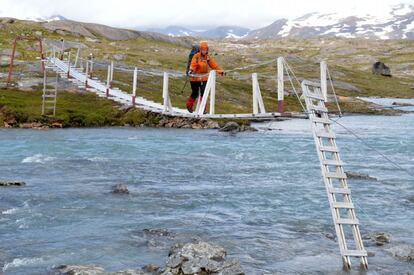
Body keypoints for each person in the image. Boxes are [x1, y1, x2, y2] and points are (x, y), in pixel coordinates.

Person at [186, 41, 224, 113]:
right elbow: (193, 64)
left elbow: (214, 65)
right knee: (195, 93)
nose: (204, 51)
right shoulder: (196, 56)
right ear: (200, 49)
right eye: (203, 49)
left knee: (204, 93)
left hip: (204, 78)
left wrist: (220, 71)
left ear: (207, 50)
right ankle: (189, 106)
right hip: (194, 78)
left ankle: (203, 109)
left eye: (206, 49)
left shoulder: (207, 57)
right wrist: (191, 70)